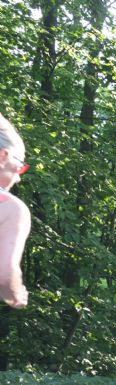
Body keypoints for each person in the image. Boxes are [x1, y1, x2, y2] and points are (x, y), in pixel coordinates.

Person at [0, 114, 31, 309]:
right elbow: (5, 273)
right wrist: (17, 295)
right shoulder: (10, 207)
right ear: (3, 157)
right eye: (20, 166)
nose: (19, 178)